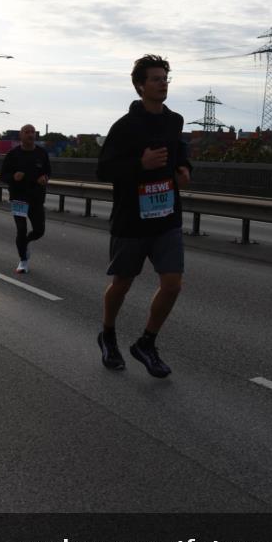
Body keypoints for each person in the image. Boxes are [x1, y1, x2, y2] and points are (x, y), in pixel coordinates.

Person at [96, 54, 191, 378]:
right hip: (132, 219)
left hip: (166, 215)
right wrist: (141, 164)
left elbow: (180, 150)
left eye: (165, 78)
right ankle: (108, 334)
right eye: (155, 79)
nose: (163, 83)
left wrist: (184, 168)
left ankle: (146, 343)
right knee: (122, 283)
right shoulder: (124, 127)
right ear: (140, 86)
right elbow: (103, 169)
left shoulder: (174, 120)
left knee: (173, 284)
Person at [0, 124, 51, 273]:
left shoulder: (42, 153)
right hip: (19, 198)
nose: (30, 135)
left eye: (32, 132)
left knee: (39, 231)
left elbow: (48, 172)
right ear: (21, 136)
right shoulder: (13, 154)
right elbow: (3, 176)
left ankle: (26, 242)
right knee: (21, 229)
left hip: (36, 198)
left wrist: (45, 177)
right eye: (27, 132)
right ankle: (23, 260)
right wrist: (13, 177)